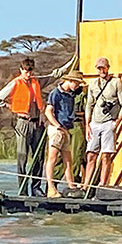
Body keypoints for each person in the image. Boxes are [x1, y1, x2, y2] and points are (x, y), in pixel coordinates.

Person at [0, 57, 73, 196]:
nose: (28, 74)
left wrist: (72, 62)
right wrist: (10, 106)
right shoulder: (15, 83)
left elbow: (54, 75)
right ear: (21, 70)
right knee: (22, 157)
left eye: (30, 71)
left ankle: (36, 188)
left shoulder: (37, 81)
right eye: (26, 71)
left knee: (38, 157)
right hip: (23, 122)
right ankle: (22, 190)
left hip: (38, 123)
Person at [43, 69, 86, 197]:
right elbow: (48, 111)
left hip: (66, 128)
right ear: (70, 81)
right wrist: (57, 126)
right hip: (57, 129)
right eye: (76, 83)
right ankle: (50, 187)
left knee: (68, 160)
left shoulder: (71, 94)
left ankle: (70, 185)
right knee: (52, 158)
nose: (77, 86)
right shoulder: (55, 93)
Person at [83, 57, 122, 190]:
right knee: (91, 154)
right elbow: (89, 104)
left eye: (104, 67)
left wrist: (117, 121)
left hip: (109, 122)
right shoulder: (93, 84)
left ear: (108, 67)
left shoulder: (116, 83)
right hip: (95, 122)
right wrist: (87, 124)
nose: (102, 70)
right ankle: (86, 185)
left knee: (106, 155)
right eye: (99, 68)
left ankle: (103, 184)